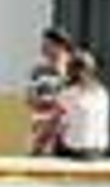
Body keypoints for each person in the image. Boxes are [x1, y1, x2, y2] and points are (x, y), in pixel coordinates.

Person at [25, 27, 75, 156]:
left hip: (64, 135)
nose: (43, 47)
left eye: (47, 44)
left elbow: (73, 103)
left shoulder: (73, 72)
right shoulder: (38, 71)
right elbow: (30, 99)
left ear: (60, 46)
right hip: (39, 131)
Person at [56, 48, 110, 159]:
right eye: (79, 67)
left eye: (88, 69)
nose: (84, 73)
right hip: (75, 152)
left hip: (96, 152)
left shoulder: (102, 93)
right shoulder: (69, 94)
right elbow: (57, 121)